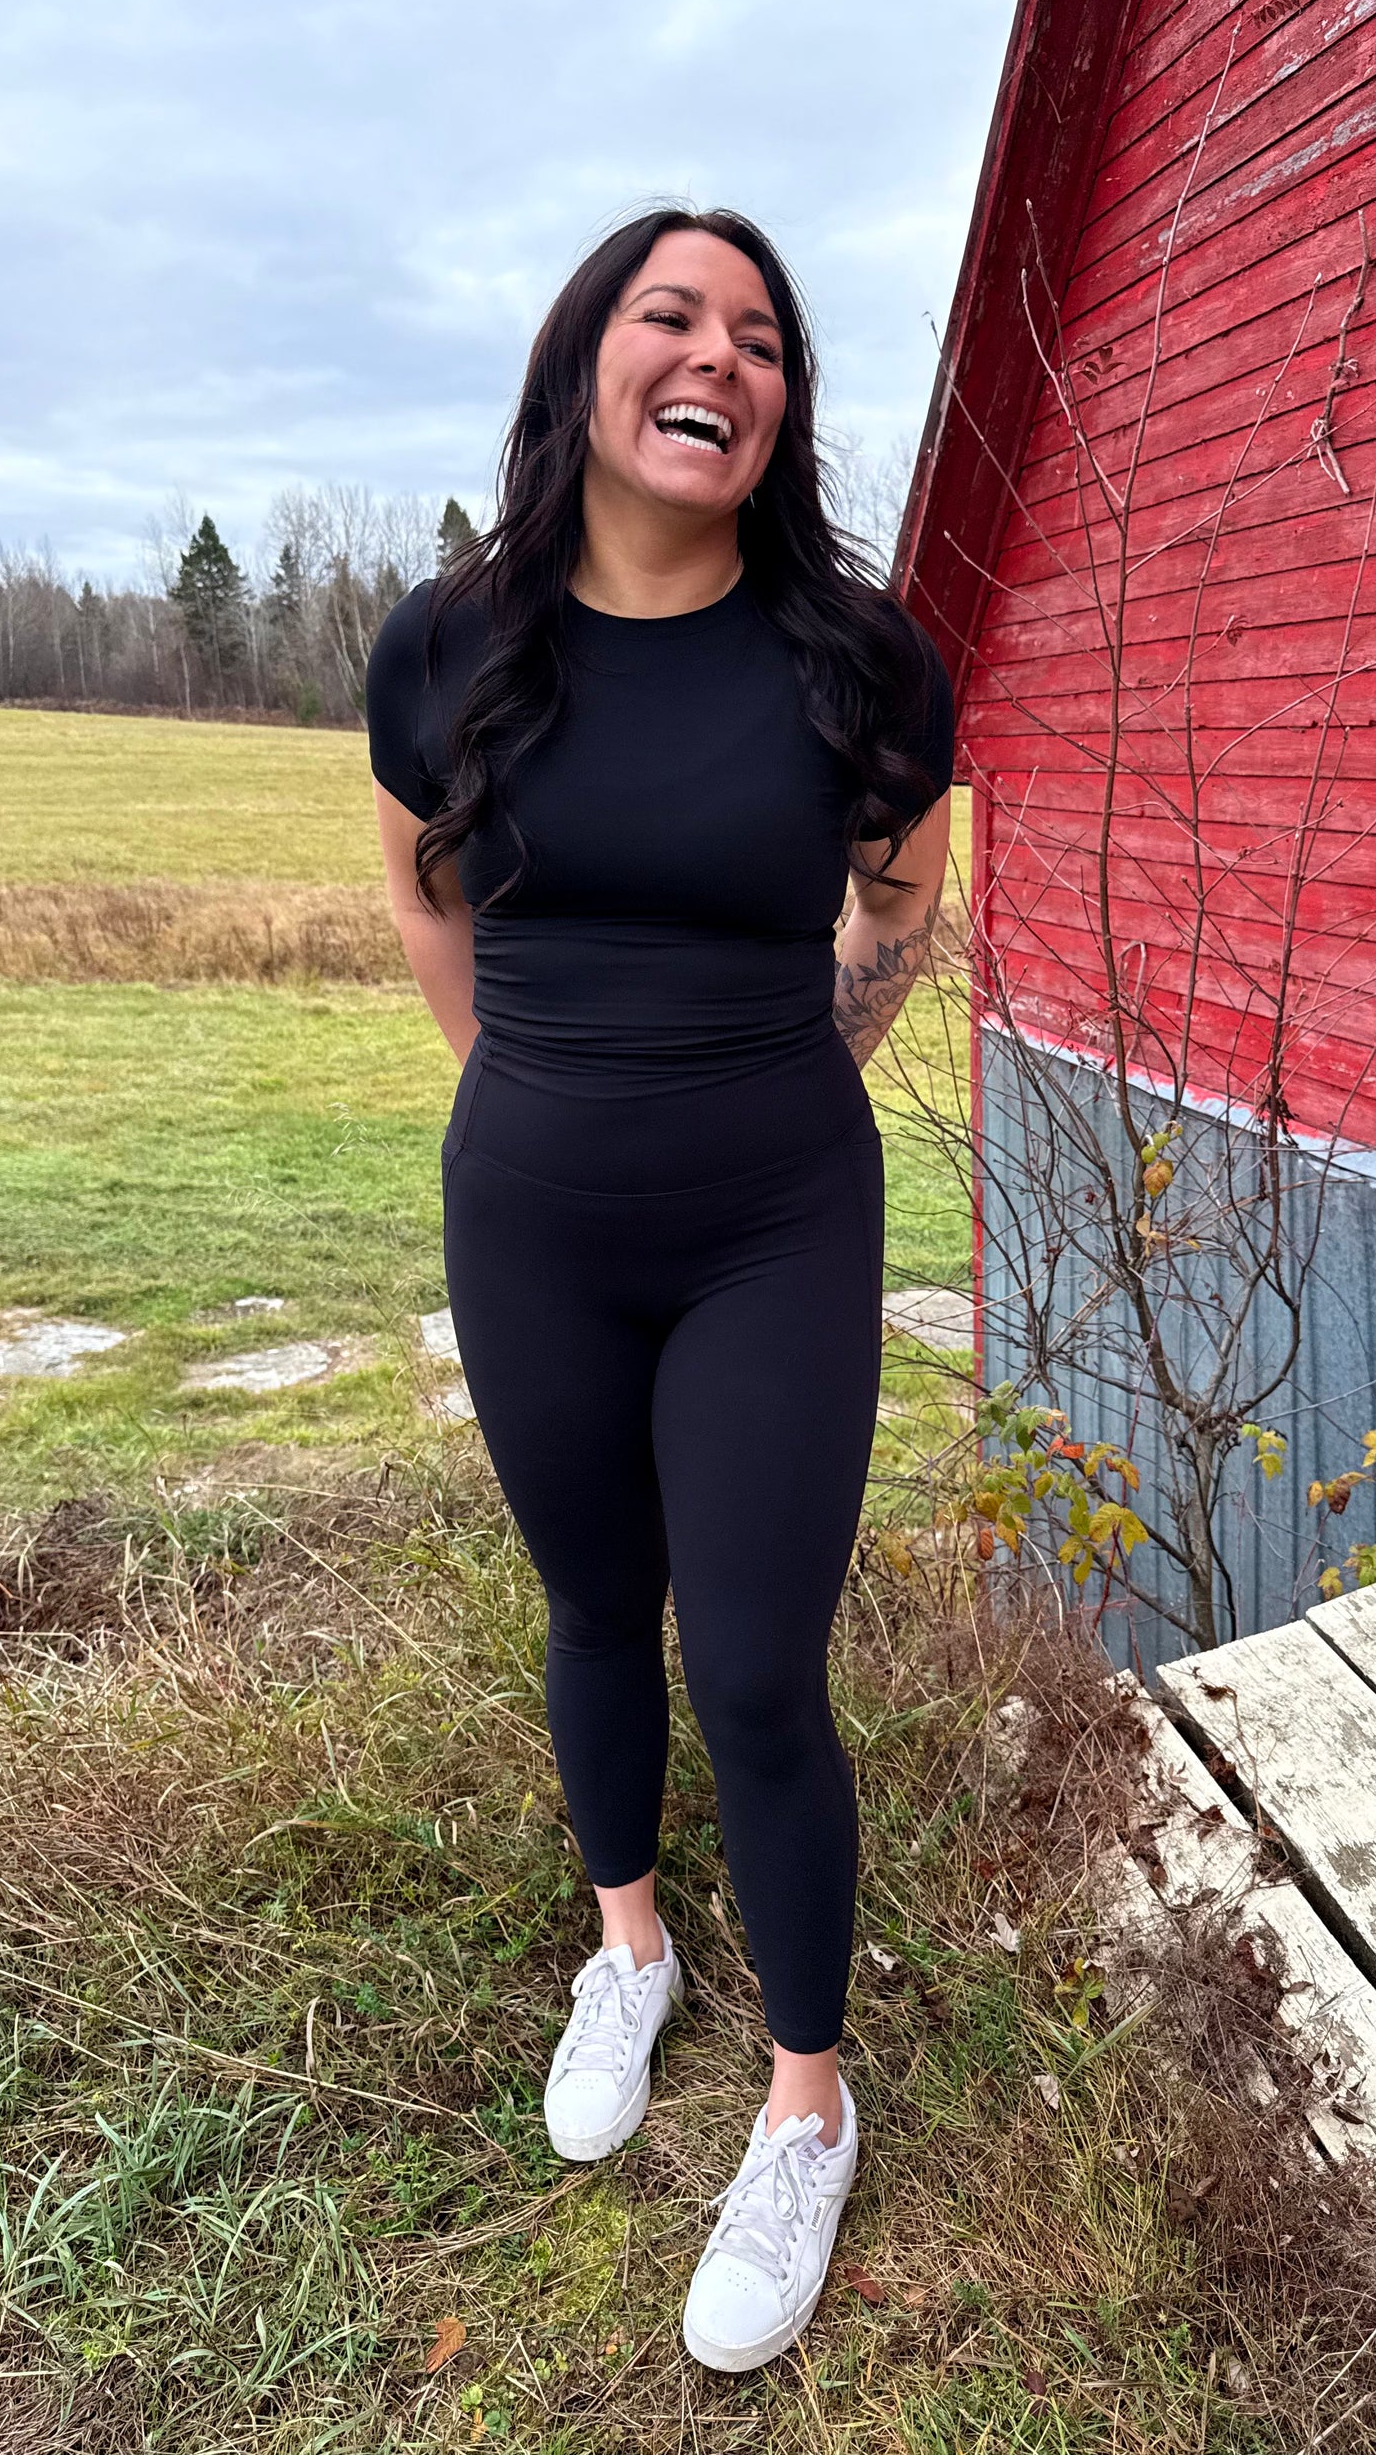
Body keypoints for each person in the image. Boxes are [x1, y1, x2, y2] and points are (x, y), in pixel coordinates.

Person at [368, 205, 954, 2373]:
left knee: (764, 1665)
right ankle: (630, 1948)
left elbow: (900, 899)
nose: (721, 357)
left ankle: (806, 2102)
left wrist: (764, 1093)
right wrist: (526, 1097)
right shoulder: (448, 645)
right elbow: (426, 889)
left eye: (763, 338)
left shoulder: (856, 661)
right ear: (583, 362)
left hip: (773, 1219)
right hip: (527, 1211)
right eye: (673, 315)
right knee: (595, 1599)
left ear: (781, 406)